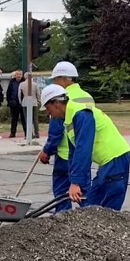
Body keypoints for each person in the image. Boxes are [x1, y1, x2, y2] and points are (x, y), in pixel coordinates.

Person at [40, 83, 130, 211]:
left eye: (47, 107)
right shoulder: (69, 118)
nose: (47, 113)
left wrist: (75, 183)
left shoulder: (81, 114)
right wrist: (73, 182)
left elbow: (83, 150)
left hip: (115, 159)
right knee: (91, 203)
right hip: (108, 163)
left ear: (56, 103)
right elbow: (73, 154)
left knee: (108, 209)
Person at [39, 62, 94, 213]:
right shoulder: (87, 96)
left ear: (64, 79)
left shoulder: (61, 98)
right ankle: (92, 219)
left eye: (55, 79)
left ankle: (62, 224)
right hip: (82, 155)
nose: (54, 83)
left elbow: (56, 131)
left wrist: (47, 150)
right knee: (82, 192)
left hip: (65, 154)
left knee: (62, 193)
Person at [18, 72, 41, 138]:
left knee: (27, 119)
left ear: (25, 77)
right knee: (35, 119)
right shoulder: (35, 84)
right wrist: (39, 101)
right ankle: (37, 133)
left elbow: (19, 94)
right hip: (34, 102)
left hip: (25, 102)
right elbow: (38, 94)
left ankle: (29, 133)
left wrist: (20, 102)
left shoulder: (21, 84)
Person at [6, 70, 26, 138]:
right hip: (14, 103)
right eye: (17, 74)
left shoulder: (24, 82)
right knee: (14, 119)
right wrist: (9, 102)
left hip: (23, 103)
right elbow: (8, 92)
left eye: (20, 74)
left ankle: (27, 132)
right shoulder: (12, 82)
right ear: (15, 75)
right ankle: (12, 133)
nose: (19, 76)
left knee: (24, 119)